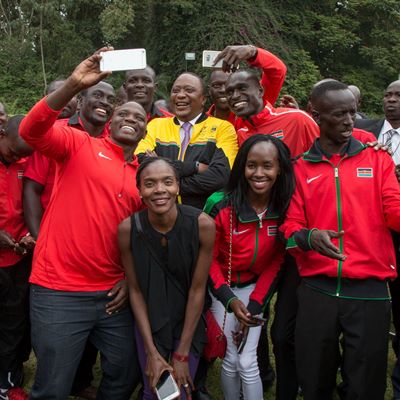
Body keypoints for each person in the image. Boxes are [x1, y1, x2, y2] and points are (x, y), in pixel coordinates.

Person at [19, 48, 146, 400]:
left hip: (111, 294)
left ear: (145, 128)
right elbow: (31, 130)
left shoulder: (145, 177)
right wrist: (74, 83)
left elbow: (142, 237)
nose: (130, 118)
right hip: (59, 291)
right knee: (53, 386)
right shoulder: (78, 145)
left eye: (138, 116)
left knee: (125, 372)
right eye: (123, 113)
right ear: (111, 121)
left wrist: (127, 279)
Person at [280, 80, 400, 400]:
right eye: (339, 114)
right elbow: (289, 230)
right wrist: (308, 236)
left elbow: (394, 211)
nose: (350, 121)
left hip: (370, 288)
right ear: (316, 115)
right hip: (318, 288)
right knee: (315, 378)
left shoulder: (378, 159)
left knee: (365, 384)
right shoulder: (300, 168)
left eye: (353, 112)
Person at [23, 78, 108, 400]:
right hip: (55, 245)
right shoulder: (59, 132)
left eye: (108, 98)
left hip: (93, 257)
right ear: (81, 100)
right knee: (58, 329)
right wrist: (39, 235)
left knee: (90, 324)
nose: (102, 103)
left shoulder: (113, 138)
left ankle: (79, 380)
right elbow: (31, 187)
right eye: (96, 95)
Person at [204, 134, 294, 400]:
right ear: (241, 166)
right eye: (251, 165)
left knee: (246, 360)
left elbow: (276, 262)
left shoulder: (285, 206)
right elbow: (207, 258)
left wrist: (255, 305)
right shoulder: (219, 203)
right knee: (231, 358)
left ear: (280, 168)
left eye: (267, 165)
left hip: (256, 289)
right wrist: (229, 300)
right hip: (222, 288)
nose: (258, 173)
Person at [118, 157, 215, 400]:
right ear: (139, 190)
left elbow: (197, 289)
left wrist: (181, 354)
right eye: (150, 184)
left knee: (179, 392)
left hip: (187, 323)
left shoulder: (202, 225)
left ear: (178, 187)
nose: (159, 189)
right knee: (155, 392)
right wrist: (151, 352)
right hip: (149, 324)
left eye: (167, 182)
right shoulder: (128, 229)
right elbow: (136, 290)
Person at [355, 79, 400, 399]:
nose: (392, 100)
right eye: (388, 94)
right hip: (367, 234)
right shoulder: (364, 131)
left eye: (399, 96)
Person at [135, 72, 238, 209]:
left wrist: (167, 184)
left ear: (203, 99)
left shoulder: (223, 128)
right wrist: (195, 167)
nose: (181, 95)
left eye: (189, 90)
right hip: (158, 215)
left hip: (203, 217)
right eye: (175, 91)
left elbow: (219, 176)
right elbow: (141, 160)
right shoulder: (155, 125)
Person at [0, 115, 33, 400]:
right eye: (13, 151)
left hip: (18, 260)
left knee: (14, 320)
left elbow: (33, 208)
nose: (17, 157)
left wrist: (26, 237)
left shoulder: (27, 164)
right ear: (2, 133)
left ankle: (8, 380)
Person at [208, 45, 287, 123]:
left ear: (260, 91)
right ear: (209, 90)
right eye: (216, 85)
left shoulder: (254, 105)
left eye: (227, 86)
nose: (223, 90)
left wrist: (253, 51)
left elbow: (278, 70)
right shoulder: (199, 123)